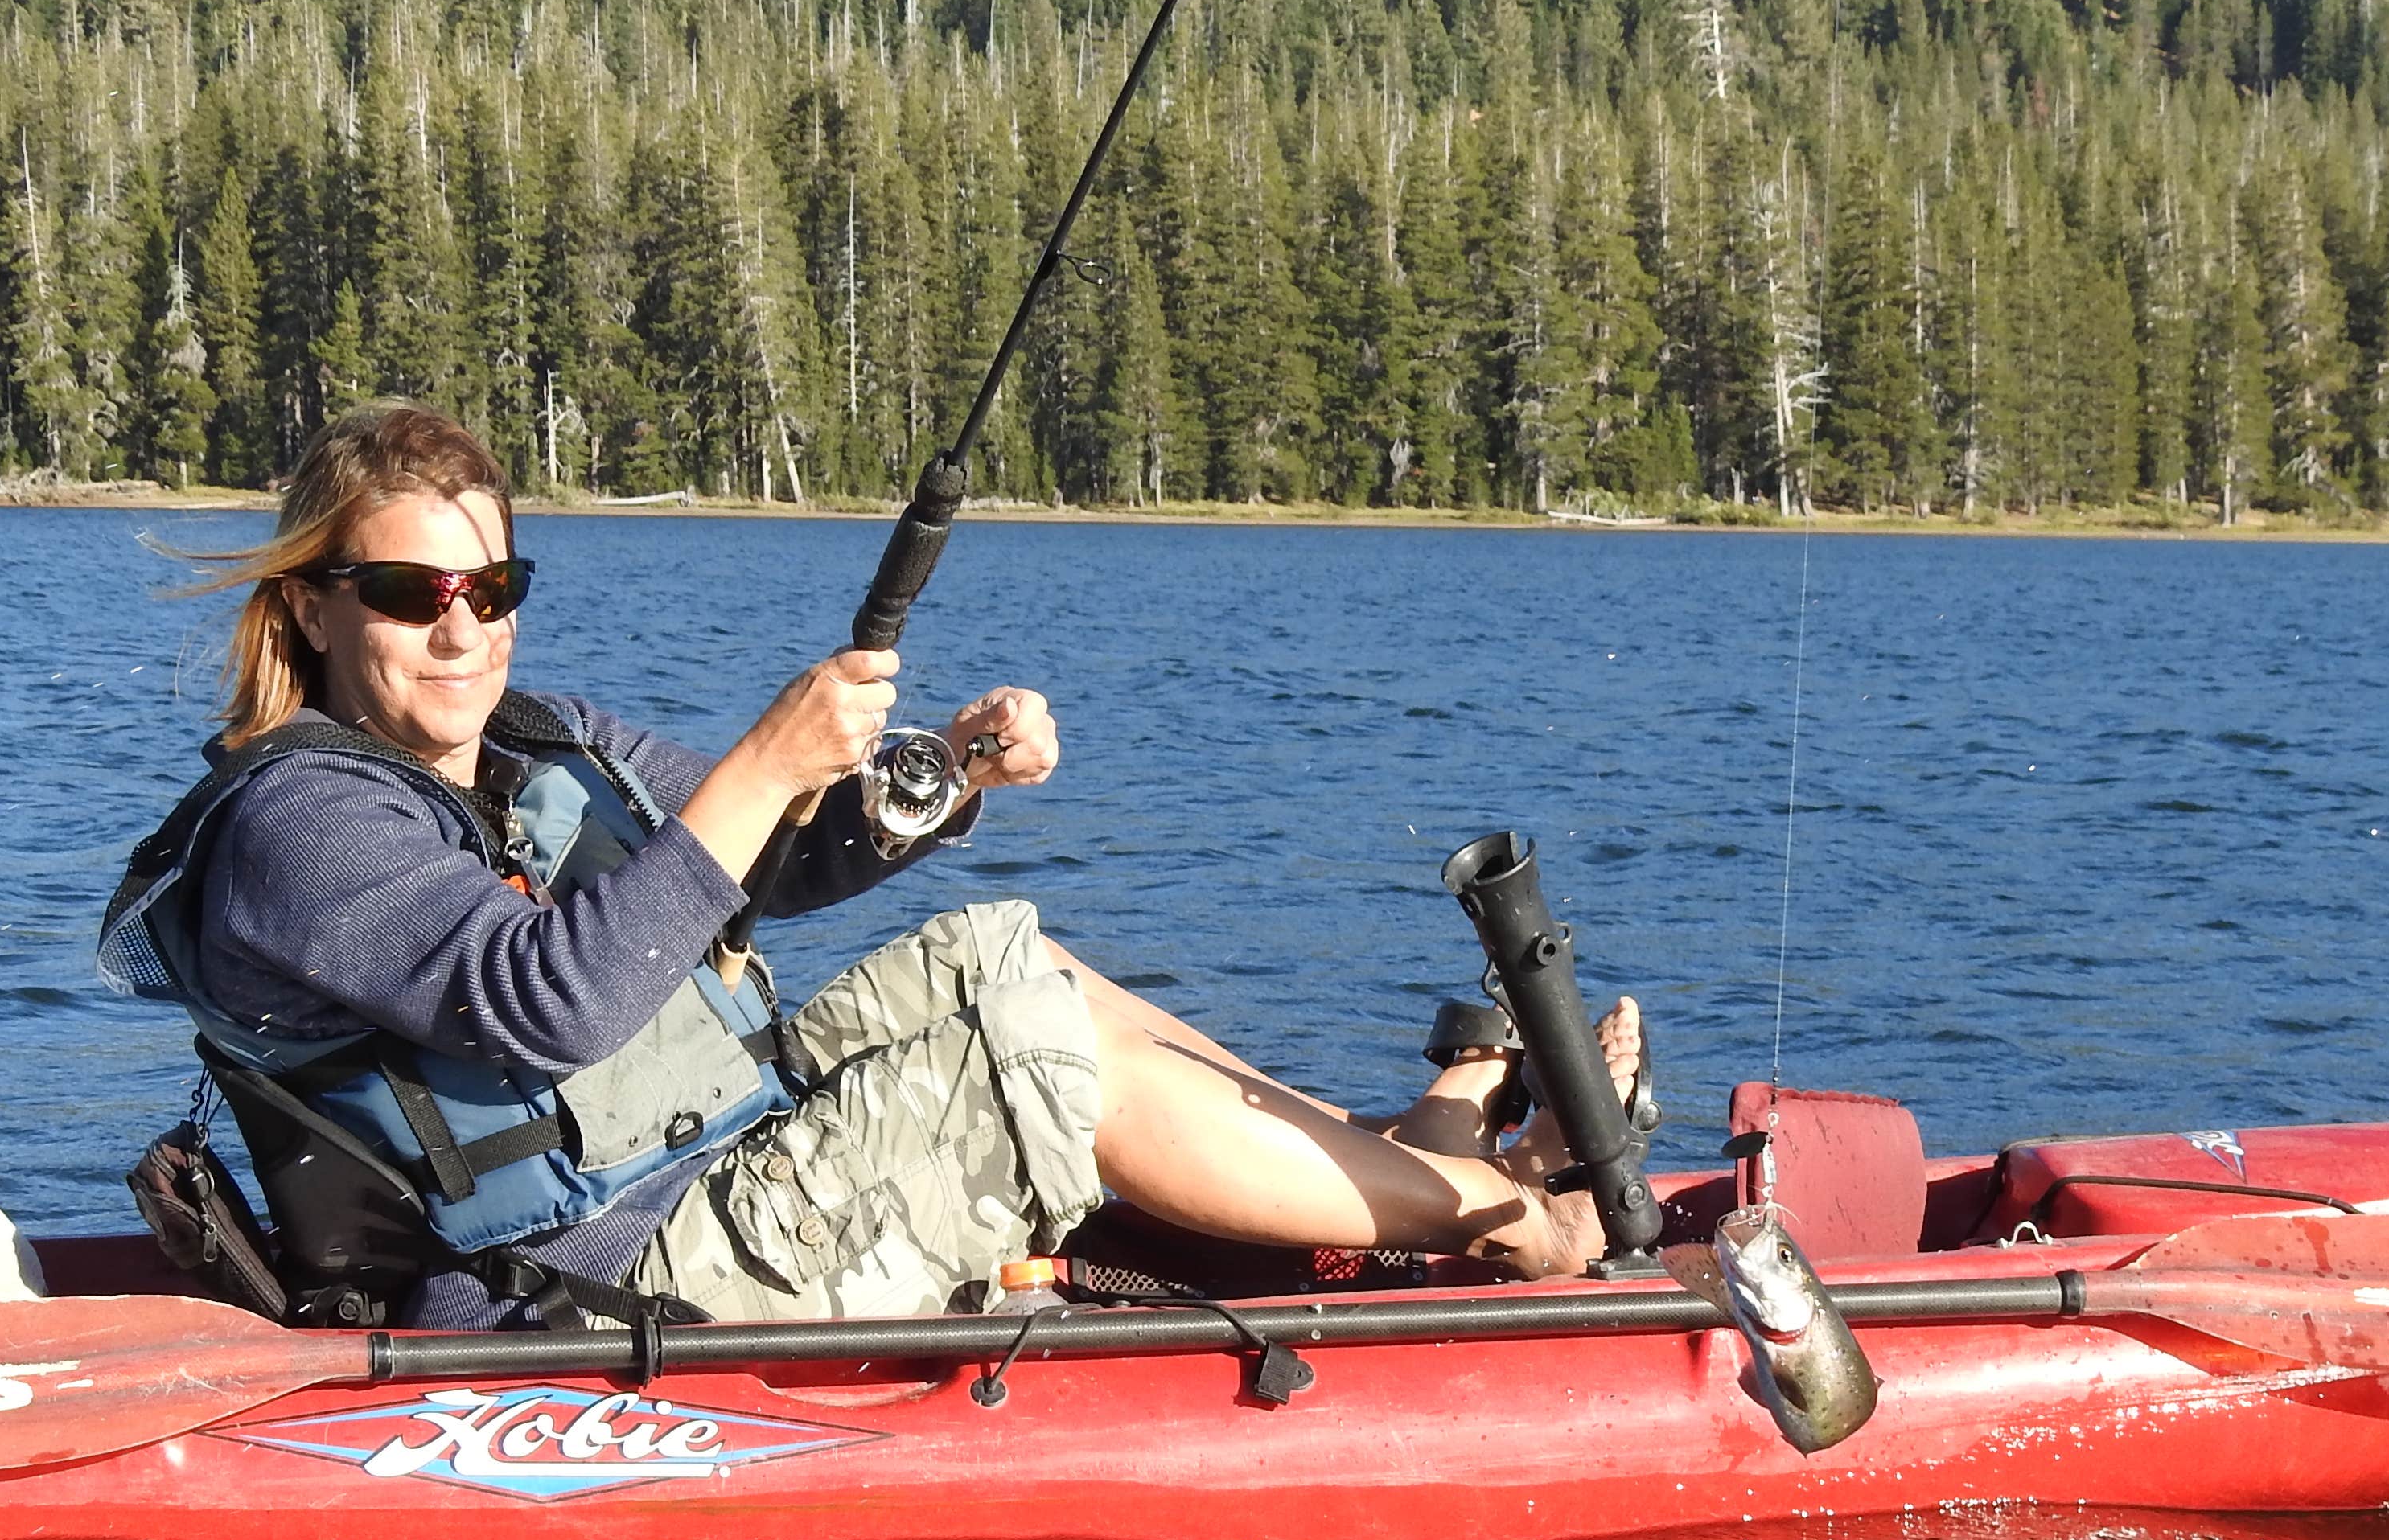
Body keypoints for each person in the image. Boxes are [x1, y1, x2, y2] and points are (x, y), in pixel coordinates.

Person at [102, 401, 1633, 1332]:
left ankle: (1419, 1170)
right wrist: (772, 754)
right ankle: (1528, 1223)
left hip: (708, 1168)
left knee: (1004, 964)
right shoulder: (296, 824)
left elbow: (759, 861)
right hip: (580, 1287)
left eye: (493, 583)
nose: (463, 627)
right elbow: (545, 1005)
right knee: (1030, 1051)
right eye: (408, 590)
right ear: (310, 608)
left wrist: (941, 775)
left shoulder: (535, 738)